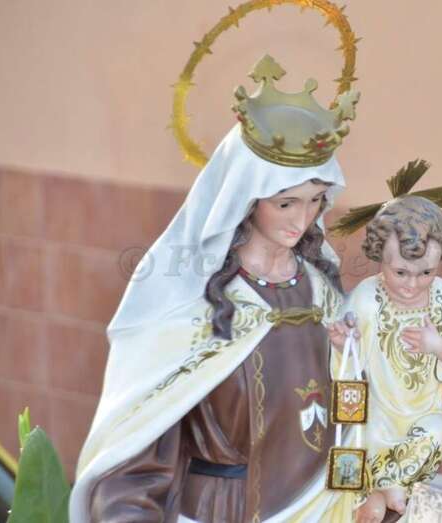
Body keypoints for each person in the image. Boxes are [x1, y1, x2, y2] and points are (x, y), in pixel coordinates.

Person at [69, 56, 360, 523]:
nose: (302, 219)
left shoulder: (323, 294)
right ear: (245, 198)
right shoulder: (189, 305)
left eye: (314, 201)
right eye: (285, 203)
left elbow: (356, 421)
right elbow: (135, 458)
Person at [328, 162, 442, 523]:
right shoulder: (366, 299)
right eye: (400, 273)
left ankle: (385, 487)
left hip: (421, 415)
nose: (412, 285)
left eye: (426, 273)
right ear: (379, 256)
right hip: (377, 415)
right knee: (359, 440)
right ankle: (378, 491)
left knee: (437, 434)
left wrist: (438, 345)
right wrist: (342, 345)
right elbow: (347, 362)